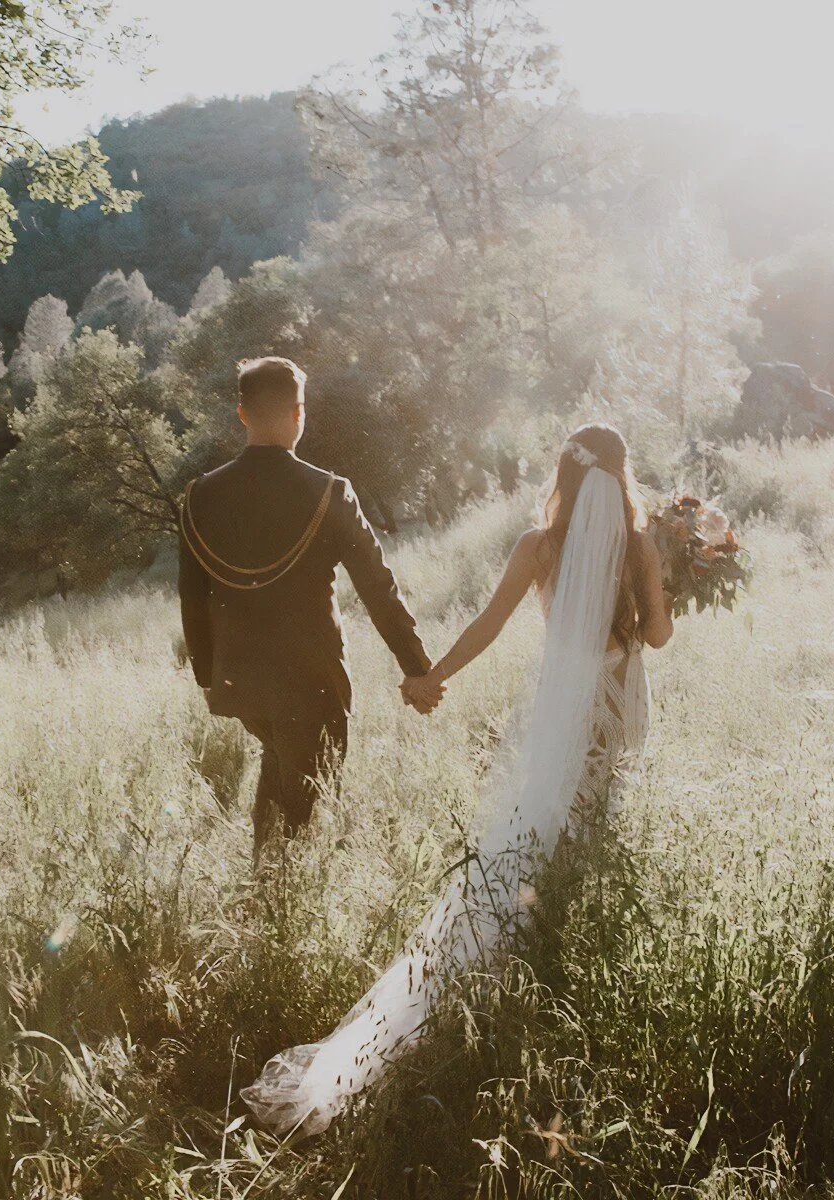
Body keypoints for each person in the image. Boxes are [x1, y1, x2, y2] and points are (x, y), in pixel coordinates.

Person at [240, 423, 674, 1136]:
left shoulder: (539, 546)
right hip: (620, 706)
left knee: (532, 833)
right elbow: (656, 637)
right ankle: (558, 963)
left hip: (563, 710)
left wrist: (431, 675)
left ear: (563, 478)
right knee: (593, 836)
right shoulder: (640, 546)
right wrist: (663, 589)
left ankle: (503, 965)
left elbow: (491, 622)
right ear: (622, 480)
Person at [178, 356, 443, 862]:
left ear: (242, 414)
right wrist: (415, 667)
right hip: (311, 678)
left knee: (278, 780)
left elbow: (192, 595)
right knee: (306, 811)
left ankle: (261, 892)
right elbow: (378, 588)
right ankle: (278, 908)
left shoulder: (200, 496)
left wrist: (209, 676)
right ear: (299, 414)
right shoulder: (329, 492)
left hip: (241, 681)